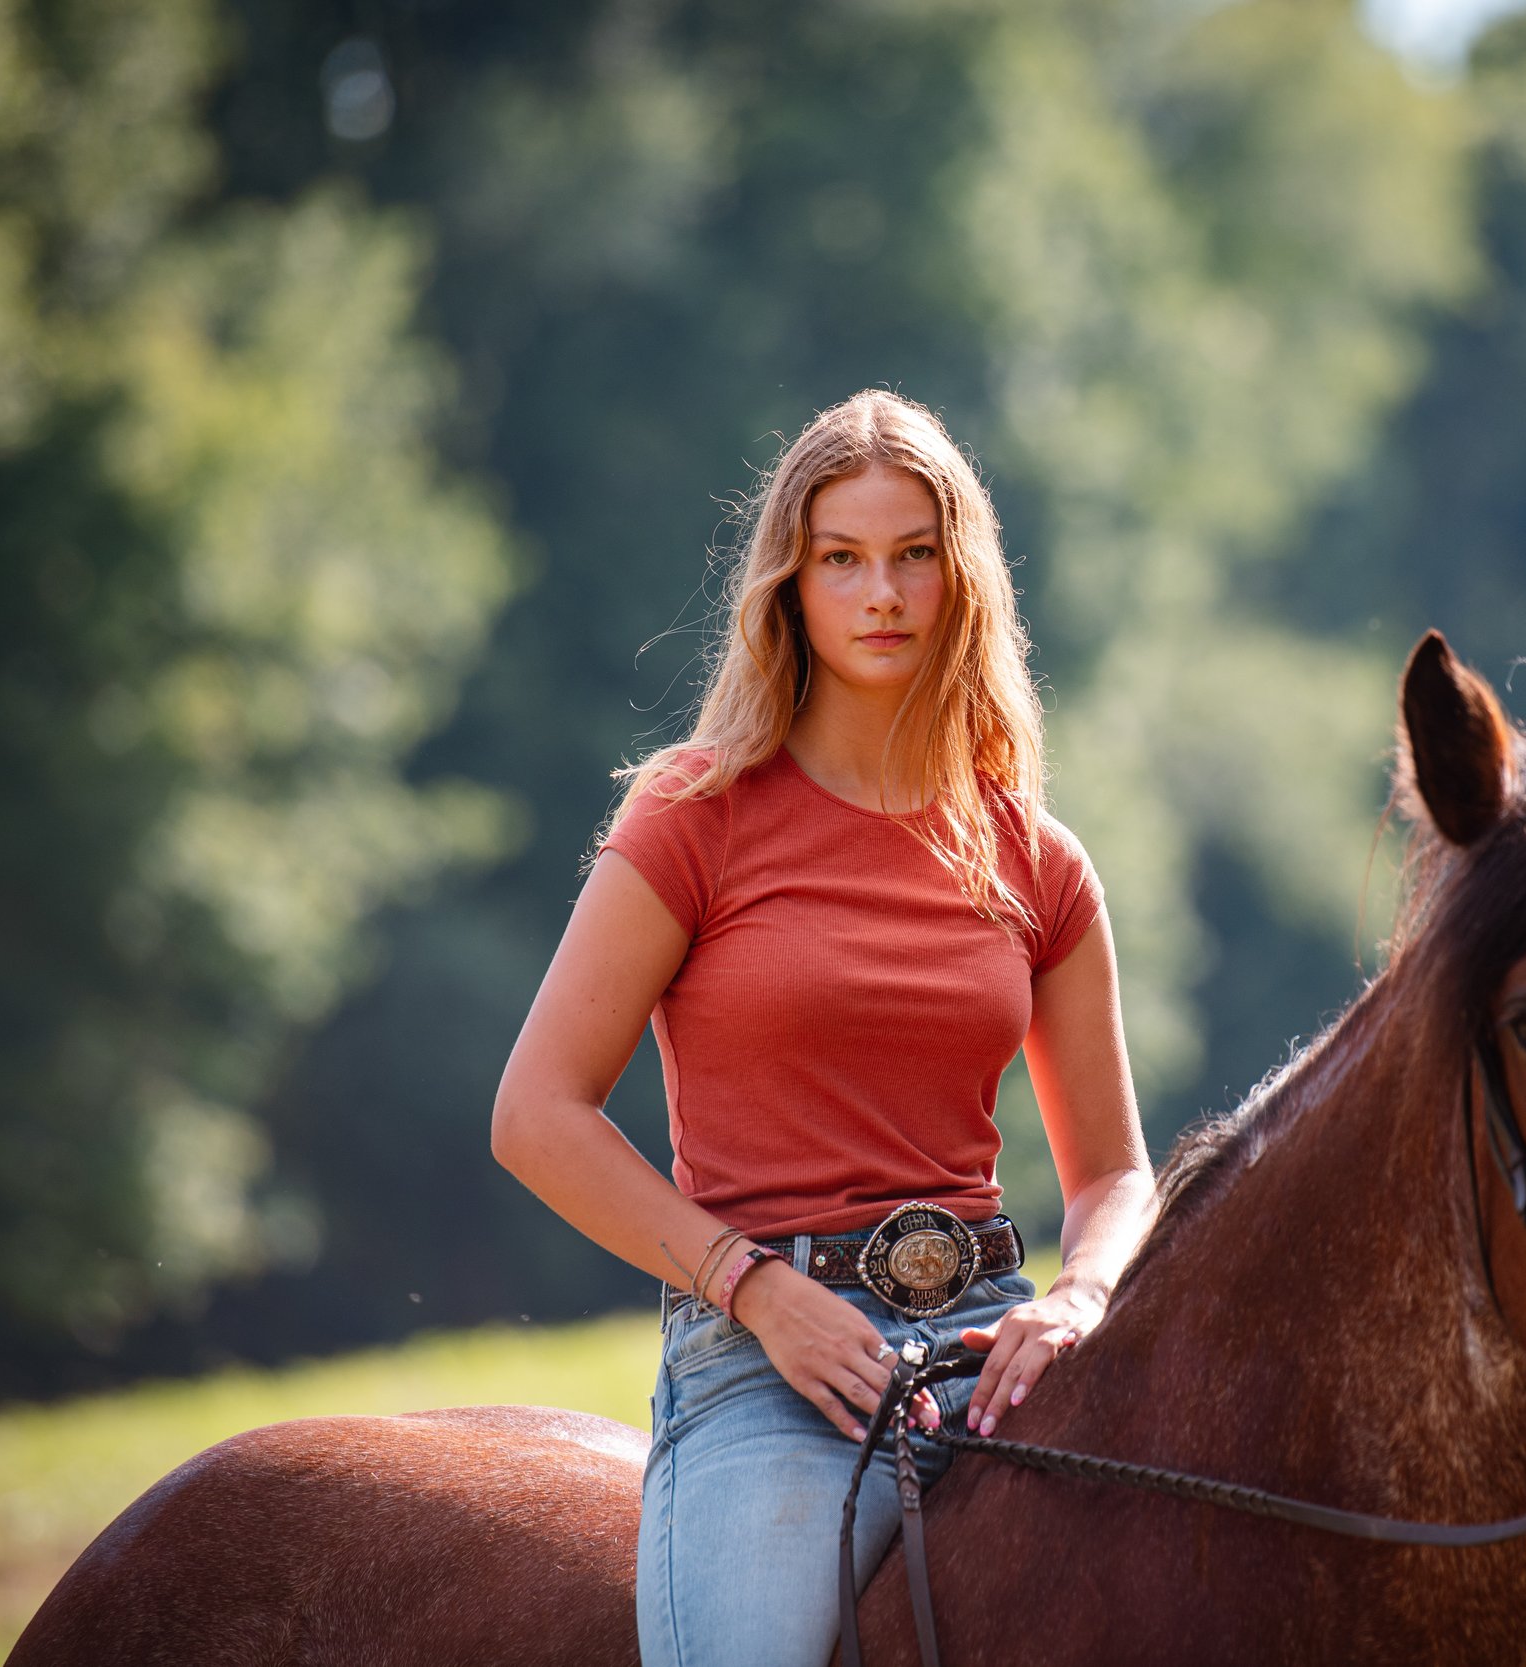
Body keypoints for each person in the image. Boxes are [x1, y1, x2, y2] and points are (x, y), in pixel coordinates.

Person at [490, 389, 1157, 1667]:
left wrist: (1078, 1296)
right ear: (788, 587)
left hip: (994, 1344)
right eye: (841, 560)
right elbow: (536, 1114)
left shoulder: (1041, 860)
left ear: (963, 581)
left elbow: (1117, 1170)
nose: (882, 594)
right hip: (765, 1364)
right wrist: (753, 1290)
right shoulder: (693, 817)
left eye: (914, 555)